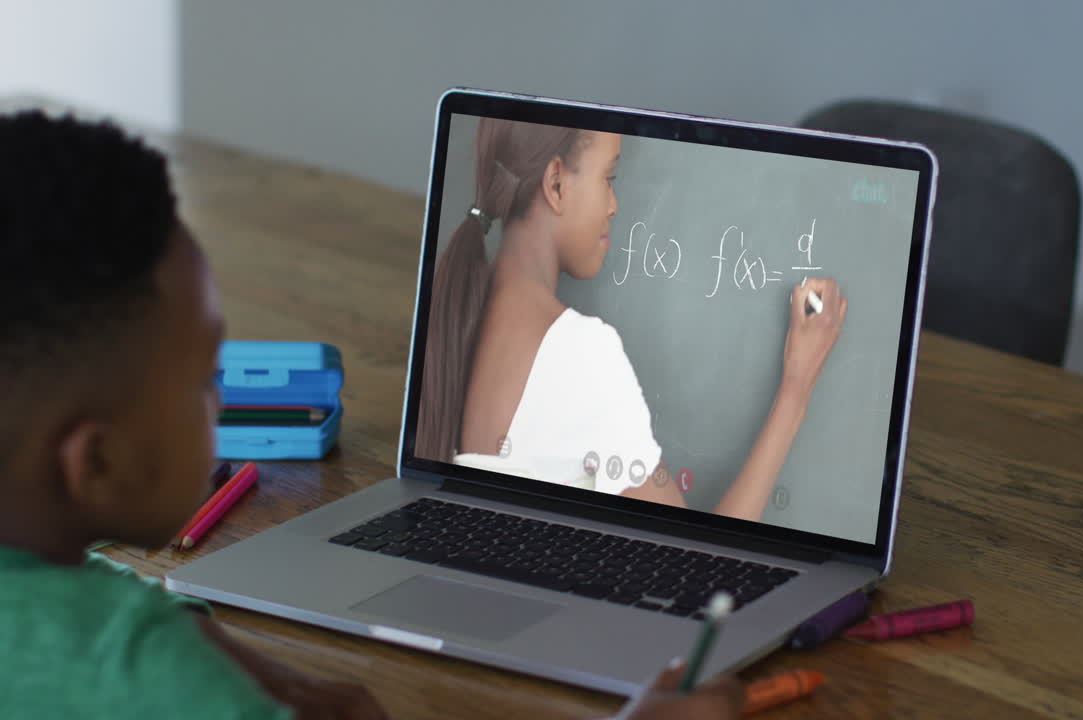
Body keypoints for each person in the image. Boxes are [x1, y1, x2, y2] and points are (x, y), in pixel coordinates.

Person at [0, 111, 743, 720]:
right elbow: (715, 559)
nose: (221, 401)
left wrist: (205, 640)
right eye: (203, 379)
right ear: (95, 462)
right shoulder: (151, 679)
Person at [419, 119, 848, 521]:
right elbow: (695, 566)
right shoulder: (581, 351)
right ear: (555, 184)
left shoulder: (465, 315)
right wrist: (797, 386)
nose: (613, 205)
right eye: (609, 178)